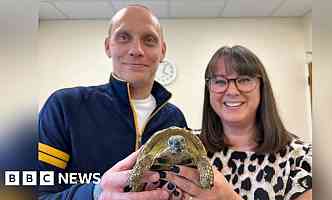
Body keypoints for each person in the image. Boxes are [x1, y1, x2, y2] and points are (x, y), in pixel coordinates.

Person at [38, 5, 187, 200]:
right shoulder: (64, 107)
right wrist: (94, 194)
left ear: (162, 51)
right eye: (124, 37)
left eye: (149, 40)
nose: (136, 50)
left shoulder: (175, 119)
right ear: (108, 46)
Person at [163, 45, 312, 200]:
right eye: (220, 81)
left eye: (244, 80)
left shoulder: (301, 158)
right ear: (209, 90)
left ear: (262, 87)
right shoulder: (185, 150)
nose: (232, 91)